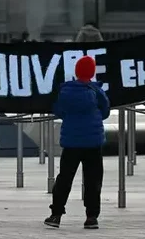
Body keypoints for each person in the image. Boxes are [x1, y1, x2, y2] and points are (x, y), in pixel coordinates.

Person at [44, 55, 110, 229]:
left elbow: (58, 110)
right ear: (92, 72)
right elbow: (105, 112)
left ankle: (56, 214)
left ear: (76, 71)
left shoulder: (65, 91)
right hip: (93, 142)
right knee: (93, 179)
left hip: (71, 141)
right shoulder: (97, 91)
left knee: (65, 178)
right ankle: (91, 216)